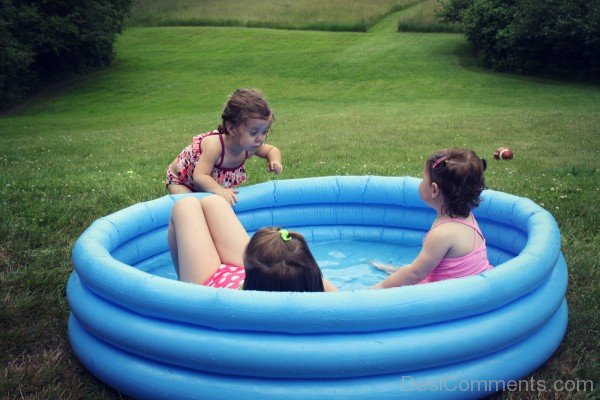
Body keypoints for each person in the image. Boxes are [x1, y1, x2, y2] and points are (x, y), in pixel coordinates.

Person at [372, 148, 492, 289]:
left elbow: (415, 273)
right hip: (474, 285)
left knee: (409, 273)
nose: (421, 182)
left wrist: (377, 289)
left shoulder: (442, 234)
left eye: (423, 179)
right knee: (408, 270)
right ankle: (396, 271)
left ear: (434, 190)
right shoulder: (468, 218)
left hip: (451, 297)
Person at [168, 195, 338, 292]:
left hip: (209, 283)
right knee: (214, 202)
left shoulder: (239, 305)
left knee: (185, 206)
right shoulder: (316, 290)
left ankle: (184, 279)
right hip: (259, 271)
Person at [165, 89, 283, 205]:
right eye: (253, 132)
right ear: (231, 128)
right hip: (180, 181)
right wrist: (219, 190)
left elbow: (272, 150)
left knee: (213, 207)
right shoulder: (215, 146)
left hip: (204, 186)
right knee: (190, 205)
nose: (260, 138)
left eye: (264, 132)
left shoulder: (250, 146)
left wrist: (275, 161)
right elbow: (200, 176)